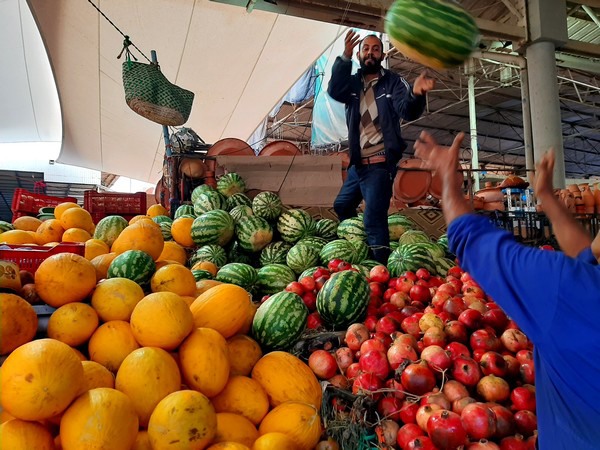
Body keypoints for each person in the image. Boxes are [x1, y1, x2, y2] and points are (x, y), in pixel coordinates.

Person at [414, 130, 600, 449]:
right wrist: (547, 199)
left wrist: (448, 179)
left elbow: (470, 239)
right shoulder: (580, 284)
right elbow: (586, 257)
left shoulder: (567, 292)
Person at [328, 30, 435, 263]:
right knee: (342, 205)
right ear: (359, 55)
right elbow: (334, 90)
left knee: (374, 219)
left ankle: (380, 267)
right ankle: (356, 248)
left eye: (375, 49)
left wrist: (416, 94)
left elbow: (406, 110)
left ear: (383, 55)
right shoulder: (352, 83)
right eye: (366, 49)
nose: (370, 53)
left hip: (379, 163)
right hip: (358, 164)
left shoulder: (393, 82)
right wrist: (344, 57)